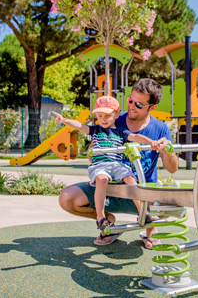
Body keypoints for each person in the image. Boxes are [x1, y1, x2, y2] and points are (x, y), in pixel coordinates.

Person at [58, 79, 179, 248]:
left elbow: (172, 168)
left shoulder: (160, 128)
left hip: (141, 194)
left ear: (152, 107)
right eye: (130, 100)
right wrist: (99, 164)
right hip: (110, 189)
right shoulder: (111, 118)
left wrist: (167, 150)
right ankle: (108, 222)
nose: (131, 106)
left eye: (138, 104)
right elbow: (92, 154)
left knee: (175, 201)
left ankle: (149, 227)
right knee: (67, 198)